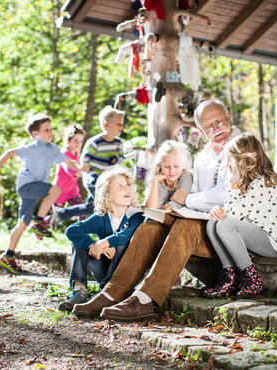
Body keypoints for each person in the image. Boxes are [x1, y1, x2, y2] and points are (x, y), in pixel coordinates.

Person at [72, 100, 241, 321]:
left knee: (184, 226)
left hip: (232, 232)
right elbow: (196, 200)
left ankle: (145, 299)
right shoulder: (204, 157)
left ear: (228, 116)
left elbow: (226, 194)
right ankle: (112, 292)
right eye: (207, 127)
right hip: (208, 225)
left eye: (218, 122)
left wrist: (188, 198)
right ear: (200, 129)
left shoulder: (242, 145)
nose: (215, 129)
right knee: (149, 227)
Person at [0, 113, 88, 275]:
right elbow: (9, 152)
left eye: (51, 129)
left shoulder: (53, 149)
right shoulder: (31, 148)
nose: (51, 132)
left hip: (33, 188)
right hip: (27, 185)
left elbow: (68, 162)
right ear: (35, 134)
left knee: (23, 223)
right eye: (46, 129)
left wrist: (80, 168)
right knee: (55, 189)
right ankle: (40, 221)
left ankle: (8, 256)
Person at [204, 133, 277, 299]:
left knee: (224, 224)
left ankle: (251, 279)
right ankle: (230, 277)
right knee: (212, 223)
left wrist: (233, 184)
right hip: (259, 237)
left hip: (275, 245)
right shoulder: (250, 181)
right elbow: (230, 213)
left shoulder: (265, 181)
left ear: (240, 161)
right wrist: (218, 210)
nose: (227, 164)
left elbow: (232, 216)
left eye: (229, 159)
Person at [58, 166, 144, 312]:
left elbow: (129, 234)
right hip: (105, 272)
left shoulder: (136, 215)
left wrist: (104, 242)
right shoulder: (101, 218)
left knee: (121, 243)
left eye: (128, 185)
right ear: (108, 195)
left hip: (126, 275)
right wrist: (94, 245)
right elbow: (72, 230)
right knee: (79, 241)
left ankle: (109, 293)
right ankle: (79, 291)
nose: (127, 189)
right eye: (120, 186)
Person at [51, 106, 129, 226]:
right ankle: (104, 236)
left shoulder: (118, 143)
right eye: (118, 124)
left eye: (122, 124)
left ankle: (61, 214)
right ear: (107, 124)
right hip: (93, 180)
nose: (122, 127)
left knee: (89, 208)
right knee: (105, 207)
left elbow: (121, 157)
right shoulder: (95, 143)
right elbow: (85, 160)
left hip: (107, 181)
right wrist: (92, 175)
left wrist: (116, 160)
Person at [46, 124, 86, 226]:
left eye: (80, 141)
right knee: (57, 217)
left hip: (72, 191)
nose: (78, 143)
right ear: (68, 140)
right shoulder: (64, 153)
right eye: (75, 140)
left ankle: (80, 235)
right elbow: (70, 170)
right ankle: (41, 224)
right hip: (60, 191)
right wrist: (88, 175)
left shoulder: (76, 153)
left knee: (82, 212)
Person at [144, 140, 193, 210]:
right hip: (158, 218)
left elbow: (178, 203)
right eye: (167, 166)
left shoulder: (187, 177)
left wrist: (160, 210)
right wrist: (154, 182)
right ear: (160, 165)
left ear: (184, 164)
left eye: (176, 166)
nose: (171, 171)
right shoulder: (159, 180)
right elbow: (150, 210)